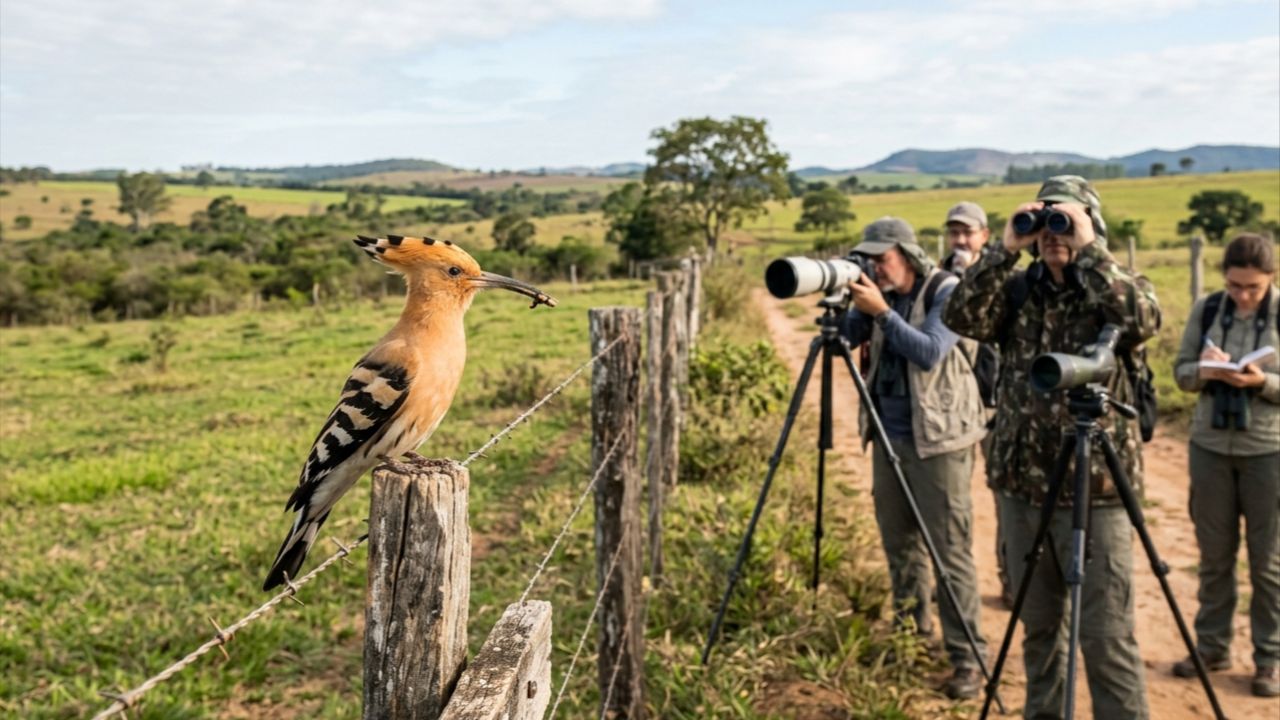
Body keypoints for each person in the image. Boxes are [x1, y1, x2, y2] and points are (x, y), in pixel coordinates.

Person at [943, 176, 1160, 719]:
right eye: (1046, 224)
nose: (1053, 234)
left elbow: (1142, 320)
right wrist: (1005, 249)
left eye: (1066, 221)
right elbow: (961, 318)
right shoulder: (1019, 291)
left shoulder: (1114, 287)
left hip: (1097, 492)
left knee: (1107, 641)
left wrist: (1088, 250)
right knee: (1039, 634)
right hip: (1023, 490)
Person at [841, 216, 990, 699]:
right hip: (889, 437)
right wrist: (851, 304)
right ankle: (911, 639)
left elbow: (929, 352)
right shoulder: (878, 292)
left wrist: (883, 313)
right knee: (899, 546)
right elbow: (843, 342)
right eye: (869, 259)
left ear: (906, 253)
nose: (875, 267)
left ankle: (969, 660)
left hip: (939, 443)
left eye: (881, 258)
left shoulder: (945, 289)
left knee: (949, 555)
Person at [1172, 232, 1280, 698]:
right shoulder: (1208, 309)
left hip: (1268, 451)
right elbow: (1181, 373)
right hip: (1211, 448)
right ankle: (1212, 646)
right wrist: (1205, 371)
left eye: (1252, 287)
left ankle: (1269, 659)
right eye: (1235, 285)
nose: (1242, 295)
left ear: (1271, 279)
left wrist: (1262, 381)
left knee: (1268, 564)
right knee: (1214, 557)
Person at [940, 201, 1013, 609]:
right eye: (955, 233)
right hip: (954, 406)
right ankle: (955, 579)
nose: (961, 240)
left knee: (1004, 494)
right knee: (954, 499)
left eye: (968, 233)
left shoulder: (1002, 277)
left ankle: (1010, 579)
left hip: (997, 401)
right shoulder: (938, 276)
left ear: (985, 236)